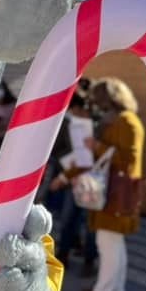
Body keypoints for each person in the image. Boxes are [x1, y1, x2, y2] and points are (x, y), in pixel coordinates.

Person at [74, 77, 145, 291]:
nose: (94, 105)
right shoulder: (124, 120)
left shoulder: (125, 121)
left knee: (108, 246)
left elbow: (128, 160)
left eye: (97, 100)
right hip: (114, 192)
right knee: (114, 245)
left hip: (115, 194)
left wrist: (97, 147)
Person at [46, 84, 97, 272]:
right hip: (73, 177)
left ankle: (87, 258)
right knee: (70, 218)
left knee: (87, 221)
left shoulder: (92, 123)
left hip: (87, 178)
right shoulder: (70, 123)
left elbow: (91, 155)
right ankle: (65, 254)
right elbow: (60, 150)